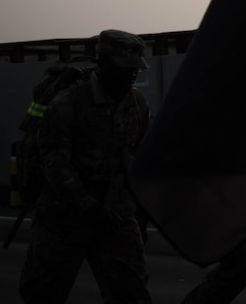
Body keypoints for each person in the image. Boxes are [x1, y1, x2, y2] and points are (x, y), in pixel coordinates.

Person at [19, 29, 153, 304]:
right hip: (63, 217)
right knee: (43, 295)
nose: (131, 75)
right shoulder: (67, 104)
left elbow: (139, 155)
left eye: (135, 70)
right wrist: (89, 208)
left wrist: (138, 210)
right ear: (103, 64)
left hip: (115, 216)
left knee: (132, 295)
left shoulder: (136, 103)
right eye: (123, 68)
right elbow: (54, 163)